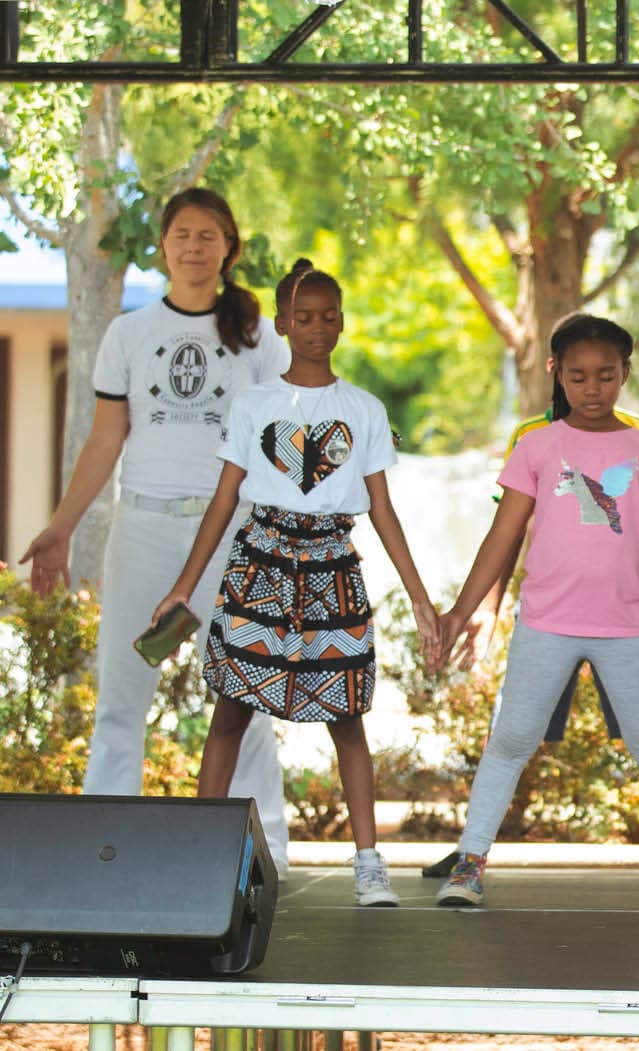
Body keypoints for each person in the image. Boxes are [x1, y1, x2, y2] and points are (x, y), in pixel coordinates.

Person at [19, 188, 294, 879]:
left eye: (208, 235)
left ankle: (265, 857)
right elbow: (105, 438)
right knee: (120, 698)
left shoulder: (259, 337)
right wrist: (59, 528)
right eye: (182, 233)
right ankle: (101, 854)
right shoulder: (129, 334)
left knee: (245, 695)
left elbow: (280, 441)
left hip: (229, 533)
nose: (194, 246)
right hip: (142, 525)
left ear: (229, 247)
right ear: (163, 244)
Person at [155, 259, 438, 906]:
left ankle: (369, 864)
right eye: (303, 317)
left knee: (347, 717)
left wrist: (421, 598)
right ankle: (202, 854)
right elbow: (224, 501)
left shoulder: (362, 409)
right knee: (231, 709)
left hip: (333, 570)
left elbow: (384, 511)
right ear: (281, 324)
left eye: (329, 316)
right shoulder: (253, 405)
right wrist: (183, 586)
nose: (317, 327)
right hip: (261, 564)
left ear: (342, 321)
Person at [431, 314, 639, 910]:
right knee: (511, 740)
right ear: (556, 374)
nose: (592, 389)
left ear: (625, 373)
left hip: (627, 628)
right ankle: (469, 866)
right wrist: (461, 611)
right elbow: (502, 536)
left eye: (606, 376)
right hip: (546, 624)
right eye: (577, 377)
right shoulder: (537, 447)